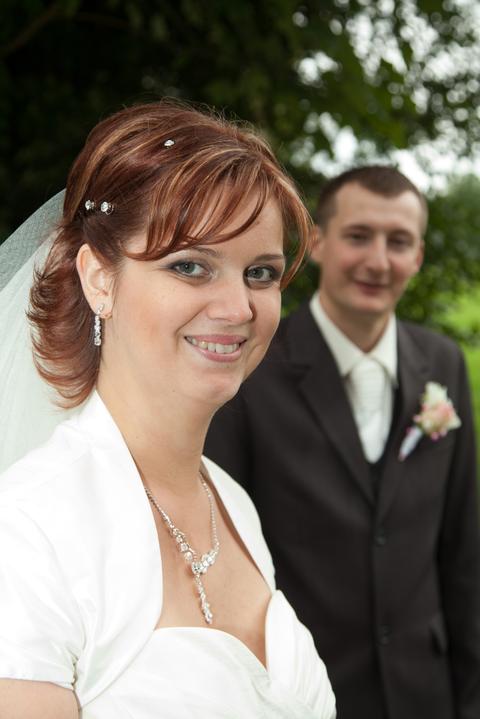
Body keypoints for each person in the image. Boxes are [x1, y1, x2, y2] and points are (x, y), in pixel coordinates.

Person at [0, 101, 336, 719]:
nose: (238, 308)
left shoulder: (232, 504)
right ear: (99, 280)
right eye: (190, 266)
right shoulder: (25, 529)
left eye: (260, 273)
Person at [205, 165, 480, 719]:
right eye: (358, 236)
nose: (378, 260)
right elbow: (225, 556)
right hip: (308, 694)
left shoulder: (443, 363)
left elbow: (464, 550)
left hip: (427, 693)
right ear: (319, 243)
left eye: (398, 241)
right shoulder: (253, 368)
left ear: (418, 256)